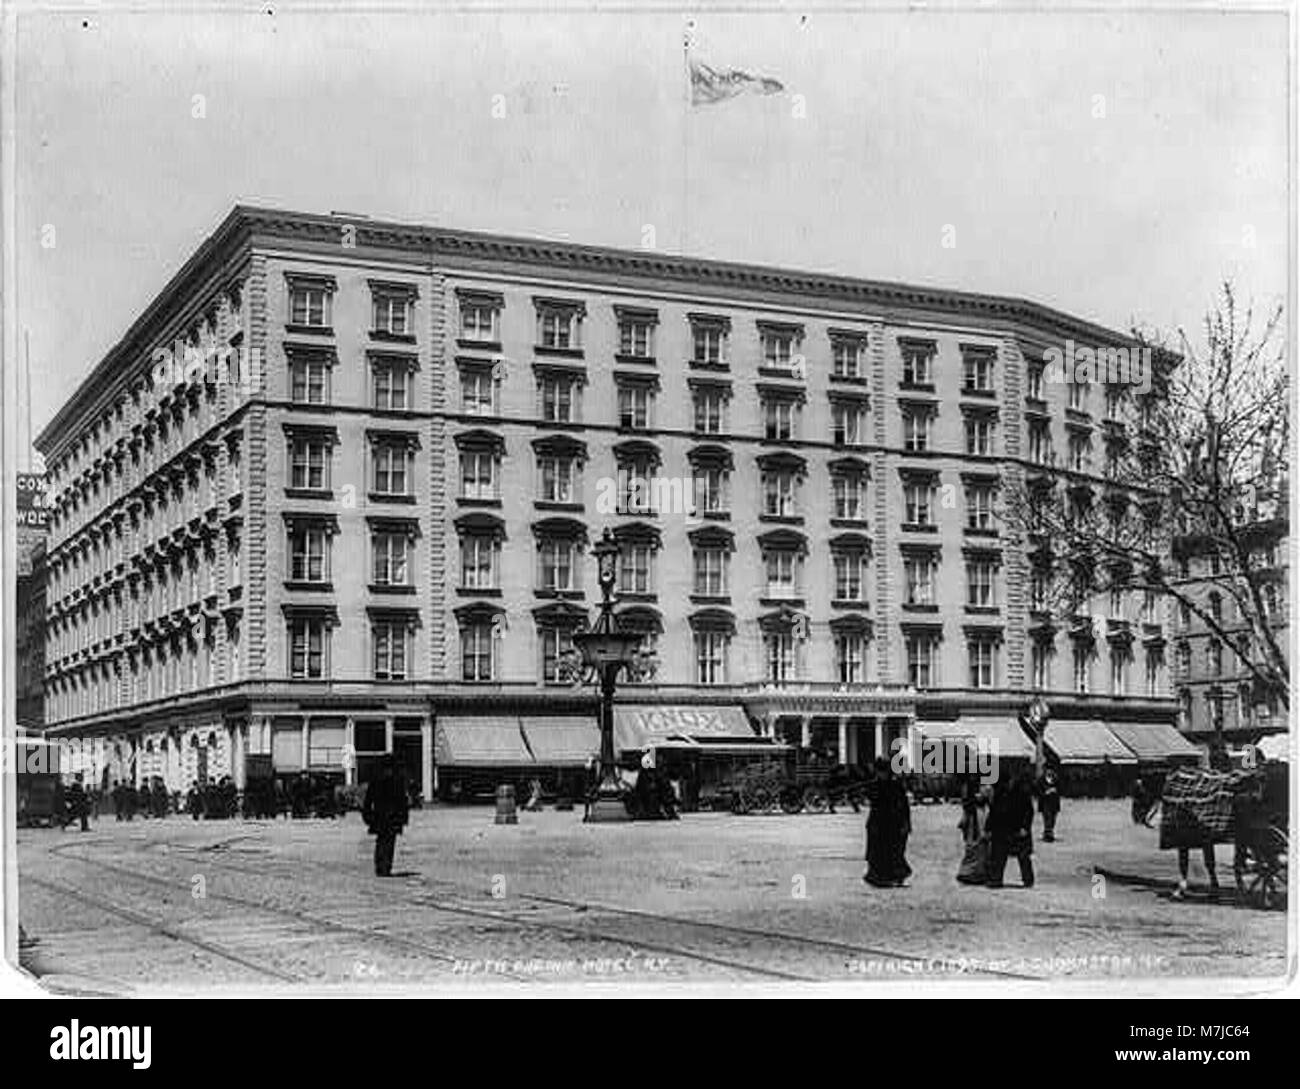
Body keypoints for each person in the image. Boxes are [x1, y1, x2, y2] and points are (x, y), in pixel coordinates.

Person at [863, 757, 912, 887]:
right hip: (877, 823)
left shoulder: (895, 786)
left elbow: (904, 806)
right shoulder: (875, 785)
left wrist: (906, 824)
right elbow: (871, 799)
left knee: (893, 851)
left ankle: (894, 876)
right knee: (876, 851)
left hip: (891, 824)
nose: (880, 775)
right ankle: (877, 877)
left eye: (882, 771)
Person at [987, 769, 1035, 888]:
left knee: (1023, 856)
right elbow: (993, 812)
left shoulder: (1021, 792)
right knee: (998, 855)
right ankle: (996, 879)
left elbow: (1029, 811)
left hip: (1018, 829)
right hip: (1001, 829)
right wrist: (988, 828)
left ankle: (1028, 880)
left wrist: (1025, 827)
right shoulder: (999, 792)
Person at [362, 755, 410, 877]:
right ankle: (386, 867)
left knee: (381, 841)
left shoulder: (376, 780)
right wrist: (404, 817)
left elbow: (368, 800)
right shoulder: (397, 781)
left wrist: (367, 816)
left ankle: (380, 867)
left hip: (380, 816)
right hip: (392, 817)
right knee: (389, 842)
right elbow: (402, 801)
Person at [956, 775, 990, 885]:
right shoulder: (968, 787)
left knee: (980, 845)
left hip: (979, 816)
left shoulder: (976, 785)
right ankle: (970, 872)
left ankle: (978, 873)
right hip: (974, 818)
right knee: (974, 845)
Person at [1038, 768, 1061, 842]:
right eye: (1048, 770)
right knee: (1047, 818)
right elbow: (1038, 790)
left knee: (1053, 818)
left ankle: (1050, 832)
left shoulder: (1056, 779)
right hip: (1045, 802)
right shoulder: (1041, 780)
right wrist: (1046, 792)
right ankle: (1047, 833)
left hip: (1054, 803)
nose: (1050, 771)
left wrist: (1055, 791)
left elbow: (1061, 788)